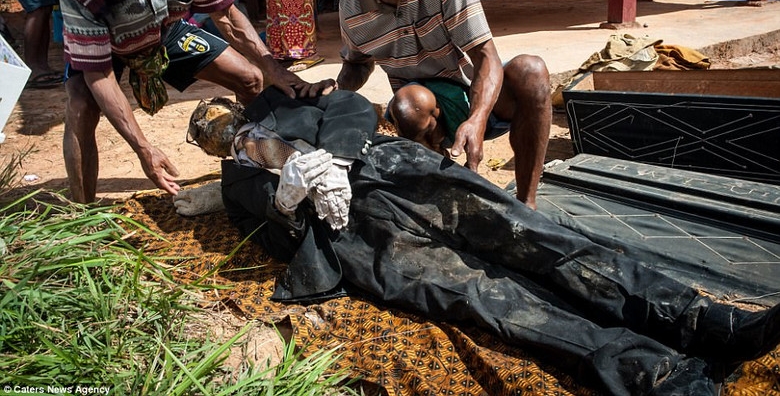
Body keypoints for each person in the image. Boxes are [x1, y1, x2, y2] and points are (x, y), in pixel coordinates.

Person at [178, 88, 780, 396]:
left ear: (234, 106)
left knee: (539, 239)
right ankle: (660, 376)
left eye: (217, 115)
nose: (216, 127)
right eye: (206, 132)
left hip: (398, 173)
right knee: (492, 298)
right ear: (208, 149)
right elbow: (277, 240)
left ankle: (708, 322)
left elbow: (351, 104)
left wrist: (329, 158)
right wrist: (286, 201)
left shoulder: (289, 108)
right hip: (359, 237)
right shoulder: (235, 186)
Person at [59, 0, 333, 204]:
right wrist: (143, 148)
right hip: (110, 49)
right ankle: (84, 210)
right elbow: (98, 75)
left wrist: (272, 67)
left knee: (250, 77)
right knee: (80, 105)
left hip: (165, 31)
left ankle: (257, 165)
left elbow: (228, 17)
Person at [324, 0, 551, 209]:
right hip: (427, 110)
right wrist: (335, 90)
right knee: (407, 104)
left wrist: (477, 118)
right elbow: (358, 64)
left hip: (480, 94)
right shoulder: (352, 8)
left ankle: (527, 203)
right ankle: (447, 194)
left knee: (531, 70)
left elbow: (484, 55)